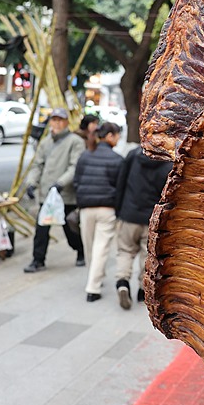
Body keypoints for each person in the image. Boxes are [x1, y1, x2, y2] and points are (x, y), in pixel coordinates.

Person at [23, 108, 85, 272]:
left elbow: (75, 166)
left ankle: (81, 251)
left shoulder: (75, 141)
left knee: (70, 230)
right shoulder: (45, 142)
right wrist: (31, 183)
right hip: (46, 194)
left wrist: (60, 183)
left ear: (66, 122)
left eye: (60, 120)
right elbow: (37, 165)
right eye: (54, 120)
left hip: (65, 194)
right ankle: (38, 260)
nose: (57, 123)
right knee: (41, 229)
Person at [113, 146, 172, 309]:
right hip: (151, 219)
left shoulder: (133, 155)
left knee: (125, 250)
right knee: (147, 256)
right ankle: (142, 290)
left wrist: (118, 210)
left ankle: (122, 282)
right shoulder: (168, 162)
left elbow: (121, 182)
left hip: (129, 215)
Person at [72, 122, 123, 302]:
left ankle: (93, 281)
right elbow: (120, 187)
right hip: (107, 209)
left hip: (86, 208)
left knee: (89, 247)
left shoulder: (85, 155)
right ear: (109, 136)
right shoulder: (117, 160)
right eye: (117, 135)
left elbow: (76, 181)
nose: (118, 139)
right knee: (100, 248)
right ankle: (94, 286)